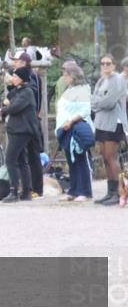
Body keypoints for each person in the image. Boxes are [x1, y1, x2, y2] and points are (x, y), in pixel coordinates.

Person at [90, 54, 127, 206]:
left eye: (108, 63)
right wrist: (99, 102)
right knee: (105, 157)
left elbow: (110, 102)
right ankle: (110, 191)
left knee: (112, 157)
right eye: (102, 63)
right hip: (101, 123)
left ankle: (119, 192)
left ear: (114, 65)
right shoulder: (101, 80)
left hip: (114, 123)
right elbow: (93, 100)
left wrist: (98, 103)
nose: (105, 66)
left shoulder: (118, 80)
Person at [55, 63, 95, 202]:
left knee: (81, 159)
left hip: (76, 128)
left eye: (66, 75)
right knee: (71, 161)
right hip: (66, 129)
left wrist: (71, 121)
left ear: (73, 76)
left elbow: (85, 111)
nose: (64, 77)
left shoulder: (83, 89)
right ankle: (73, 190)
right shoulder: (69, 89)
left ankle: (85, 191)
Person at [0, 67, 37, 202]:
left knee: (10, 160)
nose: (13, 78)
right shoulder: (18, 91)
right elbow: (9, 98)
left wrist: (4, 109)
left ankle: (13, 191)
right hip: (17, 129)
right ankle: (27, 191)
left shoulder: (27, 92)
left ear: (22, 78)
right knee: (21, 161)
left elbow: (15, 107)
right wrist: (6, 102)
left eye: (15, 76)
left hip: (21, 130)